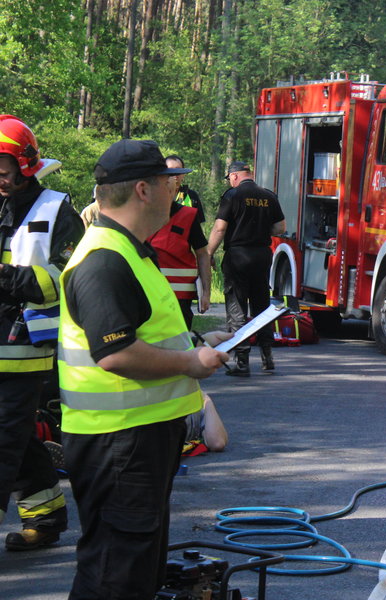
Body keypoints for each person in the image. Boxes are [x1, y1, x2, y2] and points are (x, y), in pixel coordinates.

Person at [58, 138, 231, 598]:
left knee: (135, 572)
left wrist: (197, 341)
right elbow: (114, 353)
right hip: (118, 443)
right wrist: (190, 362)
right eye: (168, 182)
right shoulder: (104, 260)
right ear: (142, 189)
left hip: (135, 439)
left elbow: (143, 333)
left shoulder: (129, 250)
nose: (176, 191)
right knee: (115, 576)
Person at [0, 115, 81, 551]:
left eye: (3, 167)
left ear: (25, 164)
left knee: (2, 439)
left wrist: (8, 278)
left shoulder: (56, 209)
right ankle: (46, 518)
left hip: (24, 349)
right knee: (17, 440)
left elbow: (69, 277)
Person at [207, 161, 285, 376]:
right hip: (262, 255)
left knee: (237, 307)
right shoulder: (269, 196)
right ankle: (267, 358)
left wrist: (208, 254)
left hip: (238, 256)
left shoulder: (232, 196)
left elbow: (220, 228)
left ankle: (242, 362)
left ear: (233, 177)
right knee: (261, 306)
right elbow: (280, 227)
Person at [147, 165, 211, 330]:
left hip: (180, 297)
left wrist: (206, 292)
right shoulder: (140, 215)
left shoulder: (188, 216)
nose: (167, 194)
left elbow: (203, 254)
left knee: (181, 345)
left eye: (171, 190)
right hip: (147, 294)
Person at [166, 155, 205, 223]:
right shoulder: (156, 196)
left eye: (178, 170)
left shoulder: (191, 196)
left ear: (183, 174)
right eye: (171, 170)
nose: (175, 174)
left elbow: (198, 225)